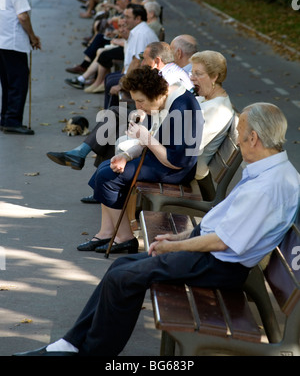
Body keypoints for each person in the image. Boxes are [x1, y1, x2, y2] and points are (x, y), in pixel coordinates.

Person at [14, 102, 300, 356]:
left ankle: (91, 351)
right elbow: (226, 222)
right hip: (215, 254)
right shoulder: (272, 171)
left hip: (218, 265)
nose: (237, 138)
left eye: (240, 132)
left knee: (123, 277)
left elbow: (223, 242)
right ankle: (69, 345)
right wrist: (180, 236)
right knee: (122, 267)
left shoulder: (268, 187)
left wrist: (174, 246)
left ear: (254, 137)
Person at [76, 65, 202, 253]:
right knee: (106, 167)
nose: (138, 107)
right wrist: (125, 156)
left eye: (140, 101)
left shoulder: (183, 106)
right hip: (159, 158)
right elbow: (149, 140)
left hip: (175, 169)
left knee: (108, 177)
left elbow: (177, 161)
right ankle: (107, 232)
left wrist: (146, 139)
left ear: (156, 93)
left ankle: (125, 238)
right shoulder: (159, 102)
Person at [0, 0, 41, 135]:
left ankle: (6, 117)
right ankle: (12, 120)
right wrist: (32, 37)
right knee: (18, 81)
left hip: (3, 38)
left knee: (8, 81)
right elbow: (22, 15)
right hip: (13, 40)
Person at [189, 50, 234, 180]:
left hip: (189, 171)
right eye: (192, 73)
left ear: (214, 76)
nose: (192, 77)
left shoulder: (217, 109)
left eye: (198, 74)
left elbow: (191, 147)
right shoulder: (206, 98)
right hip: (182, 163)